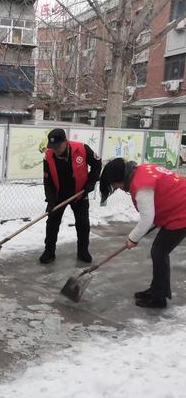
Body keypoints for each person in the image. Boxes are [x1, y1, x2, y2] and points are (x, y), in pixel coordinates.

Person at [100, 158, 186, 309]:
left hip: (181, 212)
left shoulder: (141, 187)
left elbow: (147, 218)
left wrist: (132, 239)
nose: (117, 188)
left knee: (159, 252)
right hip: (177, 206)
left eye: (115, 185)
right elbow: (156, 205)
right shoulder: (139, 171)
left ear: (120, 179)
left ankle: (159, 298)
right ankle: (157, 290)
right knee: (159, 251)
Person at [40, 128, 102, 264]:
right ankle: (49, 251)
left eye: (57, 147)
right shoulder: (49, 156)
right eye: (52, 147)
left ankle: (83, 251)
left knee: (83, 223)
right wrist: (50, 200)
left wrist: (90, 183)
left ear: (65, 142)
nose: (55, 150)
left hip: (80, 193)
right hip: (58, 194)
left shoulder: (82, 149)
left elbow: (97, 165)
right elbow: (48, 181)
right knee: (52, 223)